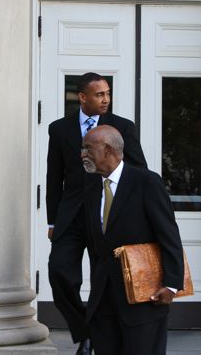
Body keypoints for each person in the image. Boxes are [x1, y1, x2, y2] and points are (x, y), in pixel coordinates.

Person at [46, 73, 147, 354]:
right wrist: (53, 220)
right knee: (60, 273)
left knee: (103, 278)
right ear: (82, 97)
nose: (106, 99)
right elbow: (54, 177)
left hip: (107, 213)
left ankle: (101, 338)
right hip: (72, 215)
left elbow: (137, 170)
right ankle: (84, 331)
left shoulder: (122, 127)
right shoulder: (59, 128)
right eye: (99, 94)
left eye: (107, 93)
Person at [80, 125, 184, 355]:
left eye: (88, 148)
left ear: (107, 149)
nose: (83, 154)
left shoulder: (146, 182)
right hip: (104, 299)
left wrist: (171, 284)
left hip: (144, 298)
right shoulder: (91, 189)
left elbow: (169, 236)